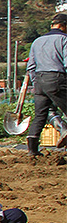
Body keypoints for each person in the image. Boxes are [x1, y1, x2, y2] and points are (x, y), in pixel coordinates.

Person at [25, 12, 67, 155]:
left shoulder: (37, 41)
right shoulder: (64, 39)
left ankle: (32, 150)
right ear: (63, 26)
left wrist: (36, 82)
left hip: (39, 80)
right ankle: (64, 130)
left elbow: (31, 66)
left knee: (40, 115)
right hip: (57, 79)